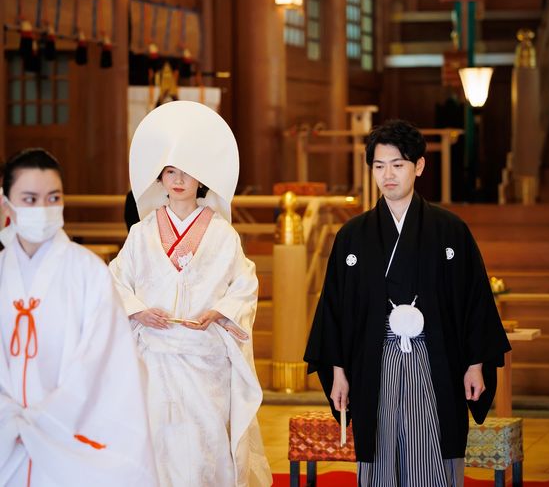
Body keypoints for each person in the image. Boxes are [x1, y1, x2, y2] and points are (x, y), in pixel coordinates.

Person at [304, 120, 511, 486]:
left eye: (398, 165)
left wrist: (475, 364)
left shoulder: (450, 230)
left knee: (433, 446)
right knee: (379, 448)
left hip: (435, 358)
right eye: (379, 166)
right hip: (374, 359)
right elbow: (335, 309)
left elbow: (474, 300)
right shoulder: (353, 236)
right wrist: (338, 372)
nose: (388, 175)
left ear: (419, 166)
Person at [109, 100, 272, 487]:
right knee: (157, 442)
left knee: (205, 445)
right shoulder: (141, 232)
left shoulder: (222, 233)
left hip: (206, 358)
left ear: (202, 179)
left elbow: (244, 283)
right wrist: (137, 310)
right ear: (160, 178)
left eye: (187, 172)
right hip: (155, 356)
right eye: (170, 171)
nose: (178, 180)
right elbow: (115, 281)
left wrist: (221, 311)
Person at [0, 148, 157, 487]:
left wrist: (46, 417)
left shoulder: (88, 272)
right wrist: (9, 418)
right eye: (30, 199)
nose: (43, 208)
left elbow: (104, 361)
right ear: (6, 204)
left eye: (53, 198)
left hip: (69, 435)